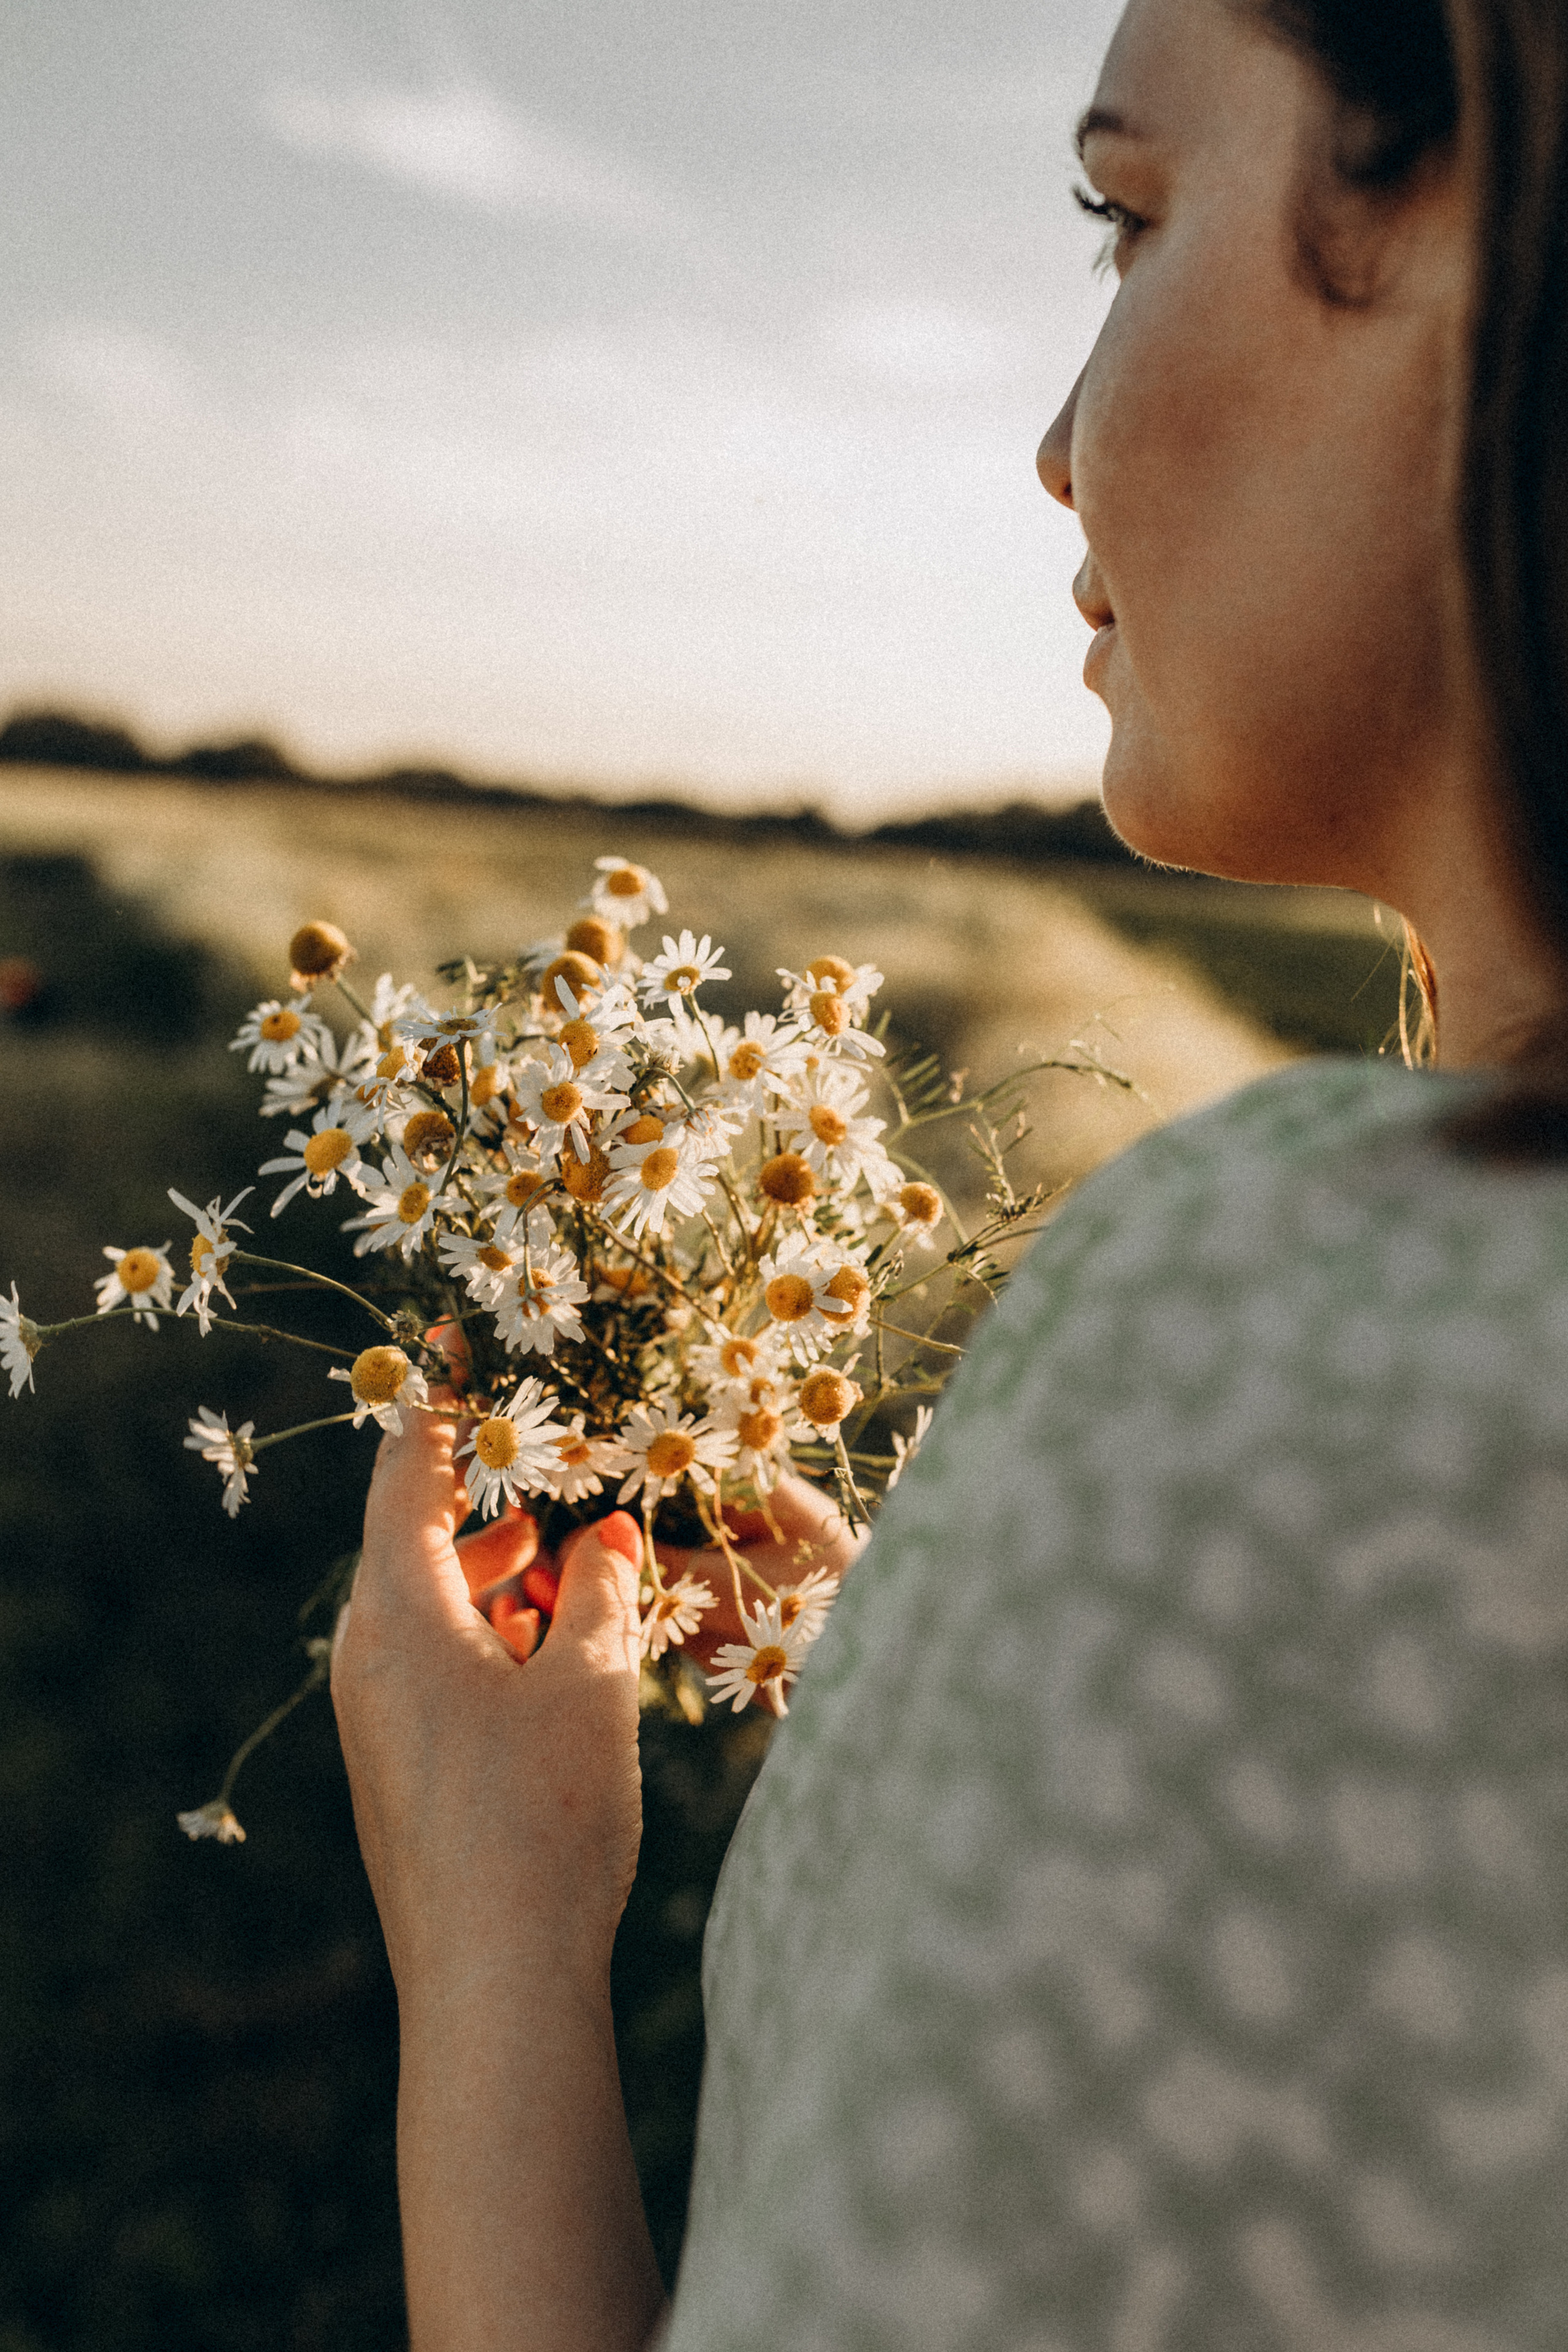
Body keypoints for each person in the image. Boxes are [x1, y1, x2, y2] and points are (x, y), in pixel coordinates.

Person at [331, 0, 1568, 2341]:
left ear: (1500, 222)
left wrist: (492, 1937)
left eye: (1130, 219)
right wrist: (1023, 1747)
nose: (1052, 447)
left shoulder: (1273, 1311)